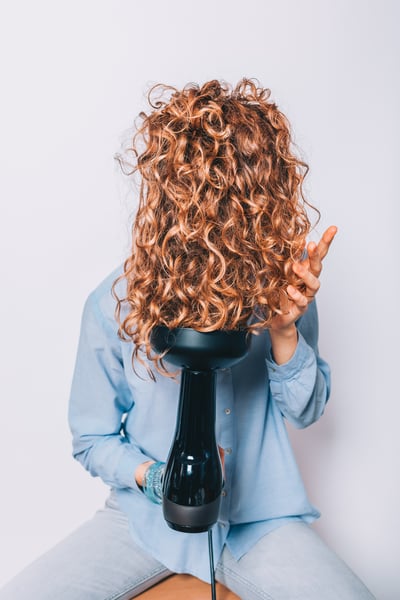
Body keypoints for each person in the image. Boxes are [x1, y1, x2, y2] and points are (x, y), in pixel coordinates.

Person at [0, 79, 375, 599]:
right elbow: (92, 438)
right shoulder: (114, 302)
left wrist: (286, 329)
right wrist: (155, 478)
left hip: (258, 524)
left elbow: (306, 412)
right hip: (142, 524)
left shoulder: (281, 291)